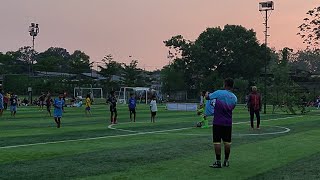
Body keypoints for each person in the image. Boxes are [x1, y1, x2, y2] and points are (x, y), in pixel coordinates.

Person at [206, 78, 237, 168]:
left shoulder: (219, 92)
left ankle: (218, 162)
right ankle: (226, 161)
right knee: (227, 142)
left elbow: (207, 97)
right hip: (228, 122)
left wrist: (207, 93)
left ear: (225, 84)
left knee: (217, 142)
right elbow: (232, 108)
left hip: (218, 122)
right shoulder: (234, 97)